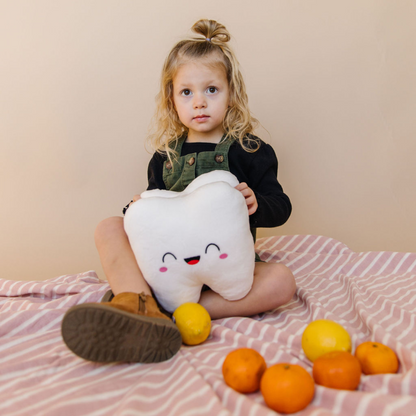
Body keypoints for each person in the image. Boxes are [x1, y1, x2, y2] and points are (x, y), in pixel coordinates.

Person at [61, 19, 296, 364]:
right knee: (108, 227)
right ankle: (136, 300)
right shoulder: (164, 157)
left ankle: (168, 315)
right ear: (172, 101)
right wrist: (137, 208)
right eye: (187, 92)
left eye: (211, 90)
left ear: (232, 94)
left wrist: (256, 203)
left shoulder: (250, 151)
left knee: (282, 282)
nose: (199, 102)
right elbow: (151, 221)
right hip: (170, 270)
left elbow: (282, 206)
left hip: (227, 269)